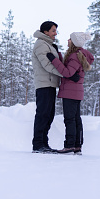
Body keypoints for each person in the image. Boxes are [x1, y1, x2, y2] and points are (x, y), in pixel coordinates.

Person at [47, 32, 94, 154]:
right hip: (75, 91)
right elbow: (70, 69)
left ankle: (69, 145)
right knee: (75, 118)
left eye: (70, 39)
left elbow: (67, 72)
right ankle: (77, 145)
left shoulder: (74, 56)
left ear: (74, 42)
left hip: (70, 92)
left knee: (70, 119)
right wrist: (58, 56)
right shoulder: (79, 55)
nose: (67, 40)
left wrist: (53, 60)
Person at [31, 21, 64, 153]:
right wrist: (64, 73)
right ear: (45, 32)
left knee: (49, 115)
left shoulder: (48, 45)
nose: (55, 33)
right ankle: (38, 144)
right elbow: (47, 65)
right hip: (44, 84)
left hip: (50, 84)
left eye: (56, 31)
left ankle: (44, 143)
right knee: (43, 114)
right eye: (53, 31)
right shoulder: (41, 45)